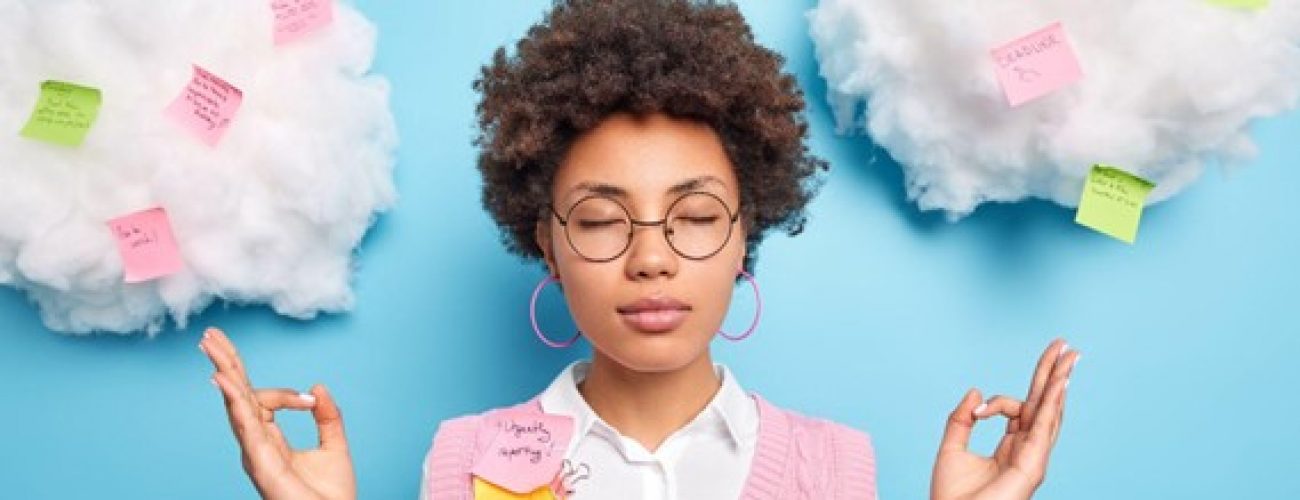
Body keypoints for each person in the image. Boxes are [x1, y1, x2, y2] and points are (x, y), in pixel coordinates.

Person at [200, 1, 1080, 498]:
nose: (651, 259)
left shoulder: (835, 468)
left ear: (747, 234)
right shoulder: (464, 459)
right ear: (545, 241)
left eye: (695, 215)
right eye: (600, 217)